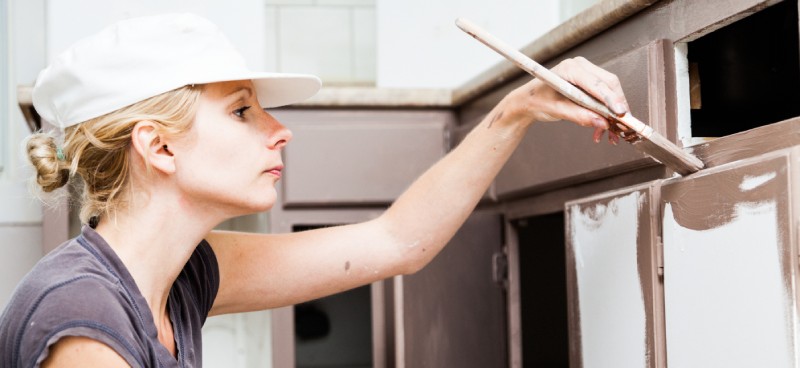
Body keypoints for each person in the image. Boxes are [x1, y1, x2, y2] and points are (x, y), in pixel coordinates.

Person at [0, 13, 628, 367]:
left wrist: (518, 109)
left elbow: (398, 241)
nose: (280, 131)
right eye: (243, 111)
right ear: (158, 147)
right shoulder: (83, 323)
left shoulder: (184, 274)